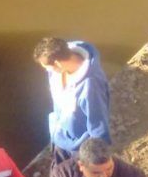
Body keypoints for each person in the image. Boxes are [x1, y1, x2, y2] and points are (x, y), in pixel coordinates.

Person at [33, 37, 111, 165]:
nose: (47, 71)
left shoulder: (90, 87)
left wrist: (97, 158)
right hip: (59, 135)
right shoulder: (57, 69)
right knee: (59, 171)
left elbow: (98, 124)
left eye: (47, 67)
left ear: (57, 64)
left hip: (78, 146)